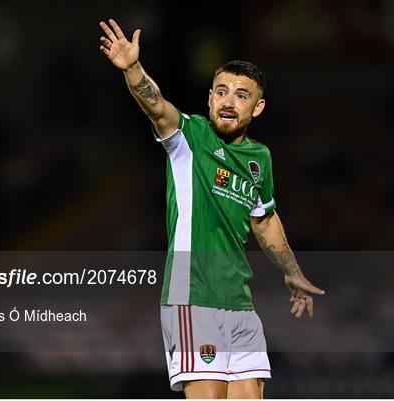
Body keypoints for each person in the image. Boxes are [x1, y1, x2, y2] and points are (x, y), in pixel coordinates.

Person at [99, 18, 325, 399]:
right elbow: (157, 107)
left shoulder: (259, 159)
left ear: (258, 107)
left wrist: (292, 271)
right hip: (192, 297)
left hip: (239, 301)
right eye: (221, 91)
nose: (228, 101)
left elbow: (265, 220)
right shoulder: (190, 137)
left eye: (241, 95)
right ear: (209, 98)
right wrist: (133, 68)